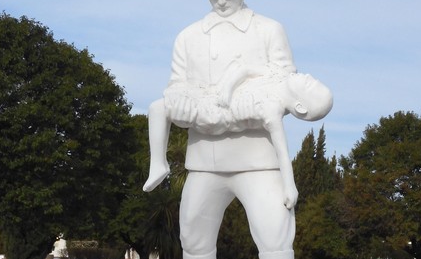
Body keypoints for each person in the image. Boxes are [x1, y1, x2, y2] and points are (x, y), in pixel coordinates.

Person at [144, 0, 333, 259]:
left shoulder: (269, 30)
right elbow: (175, 87)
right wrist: (194, 107)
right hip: (205, 157)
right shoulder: (188, 37)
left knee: (274, 234)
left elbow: (284, 83)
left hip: (256, 157)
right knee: (193, 235)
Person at [143, 65, 333, 211]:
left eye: (309, 85)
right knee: (159, 107)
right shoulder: (276, 76)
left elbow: (282, 152)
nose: (308, 77)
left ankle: (159, 165)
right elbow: (244, 68)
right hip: (216, 96)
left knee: (158, 108)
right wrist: (227, 88)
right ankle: (159, 164)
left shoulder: (272, 110)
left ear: (300, 107)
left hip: (217, 115)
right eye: (313, 79)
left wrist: (290, 187)